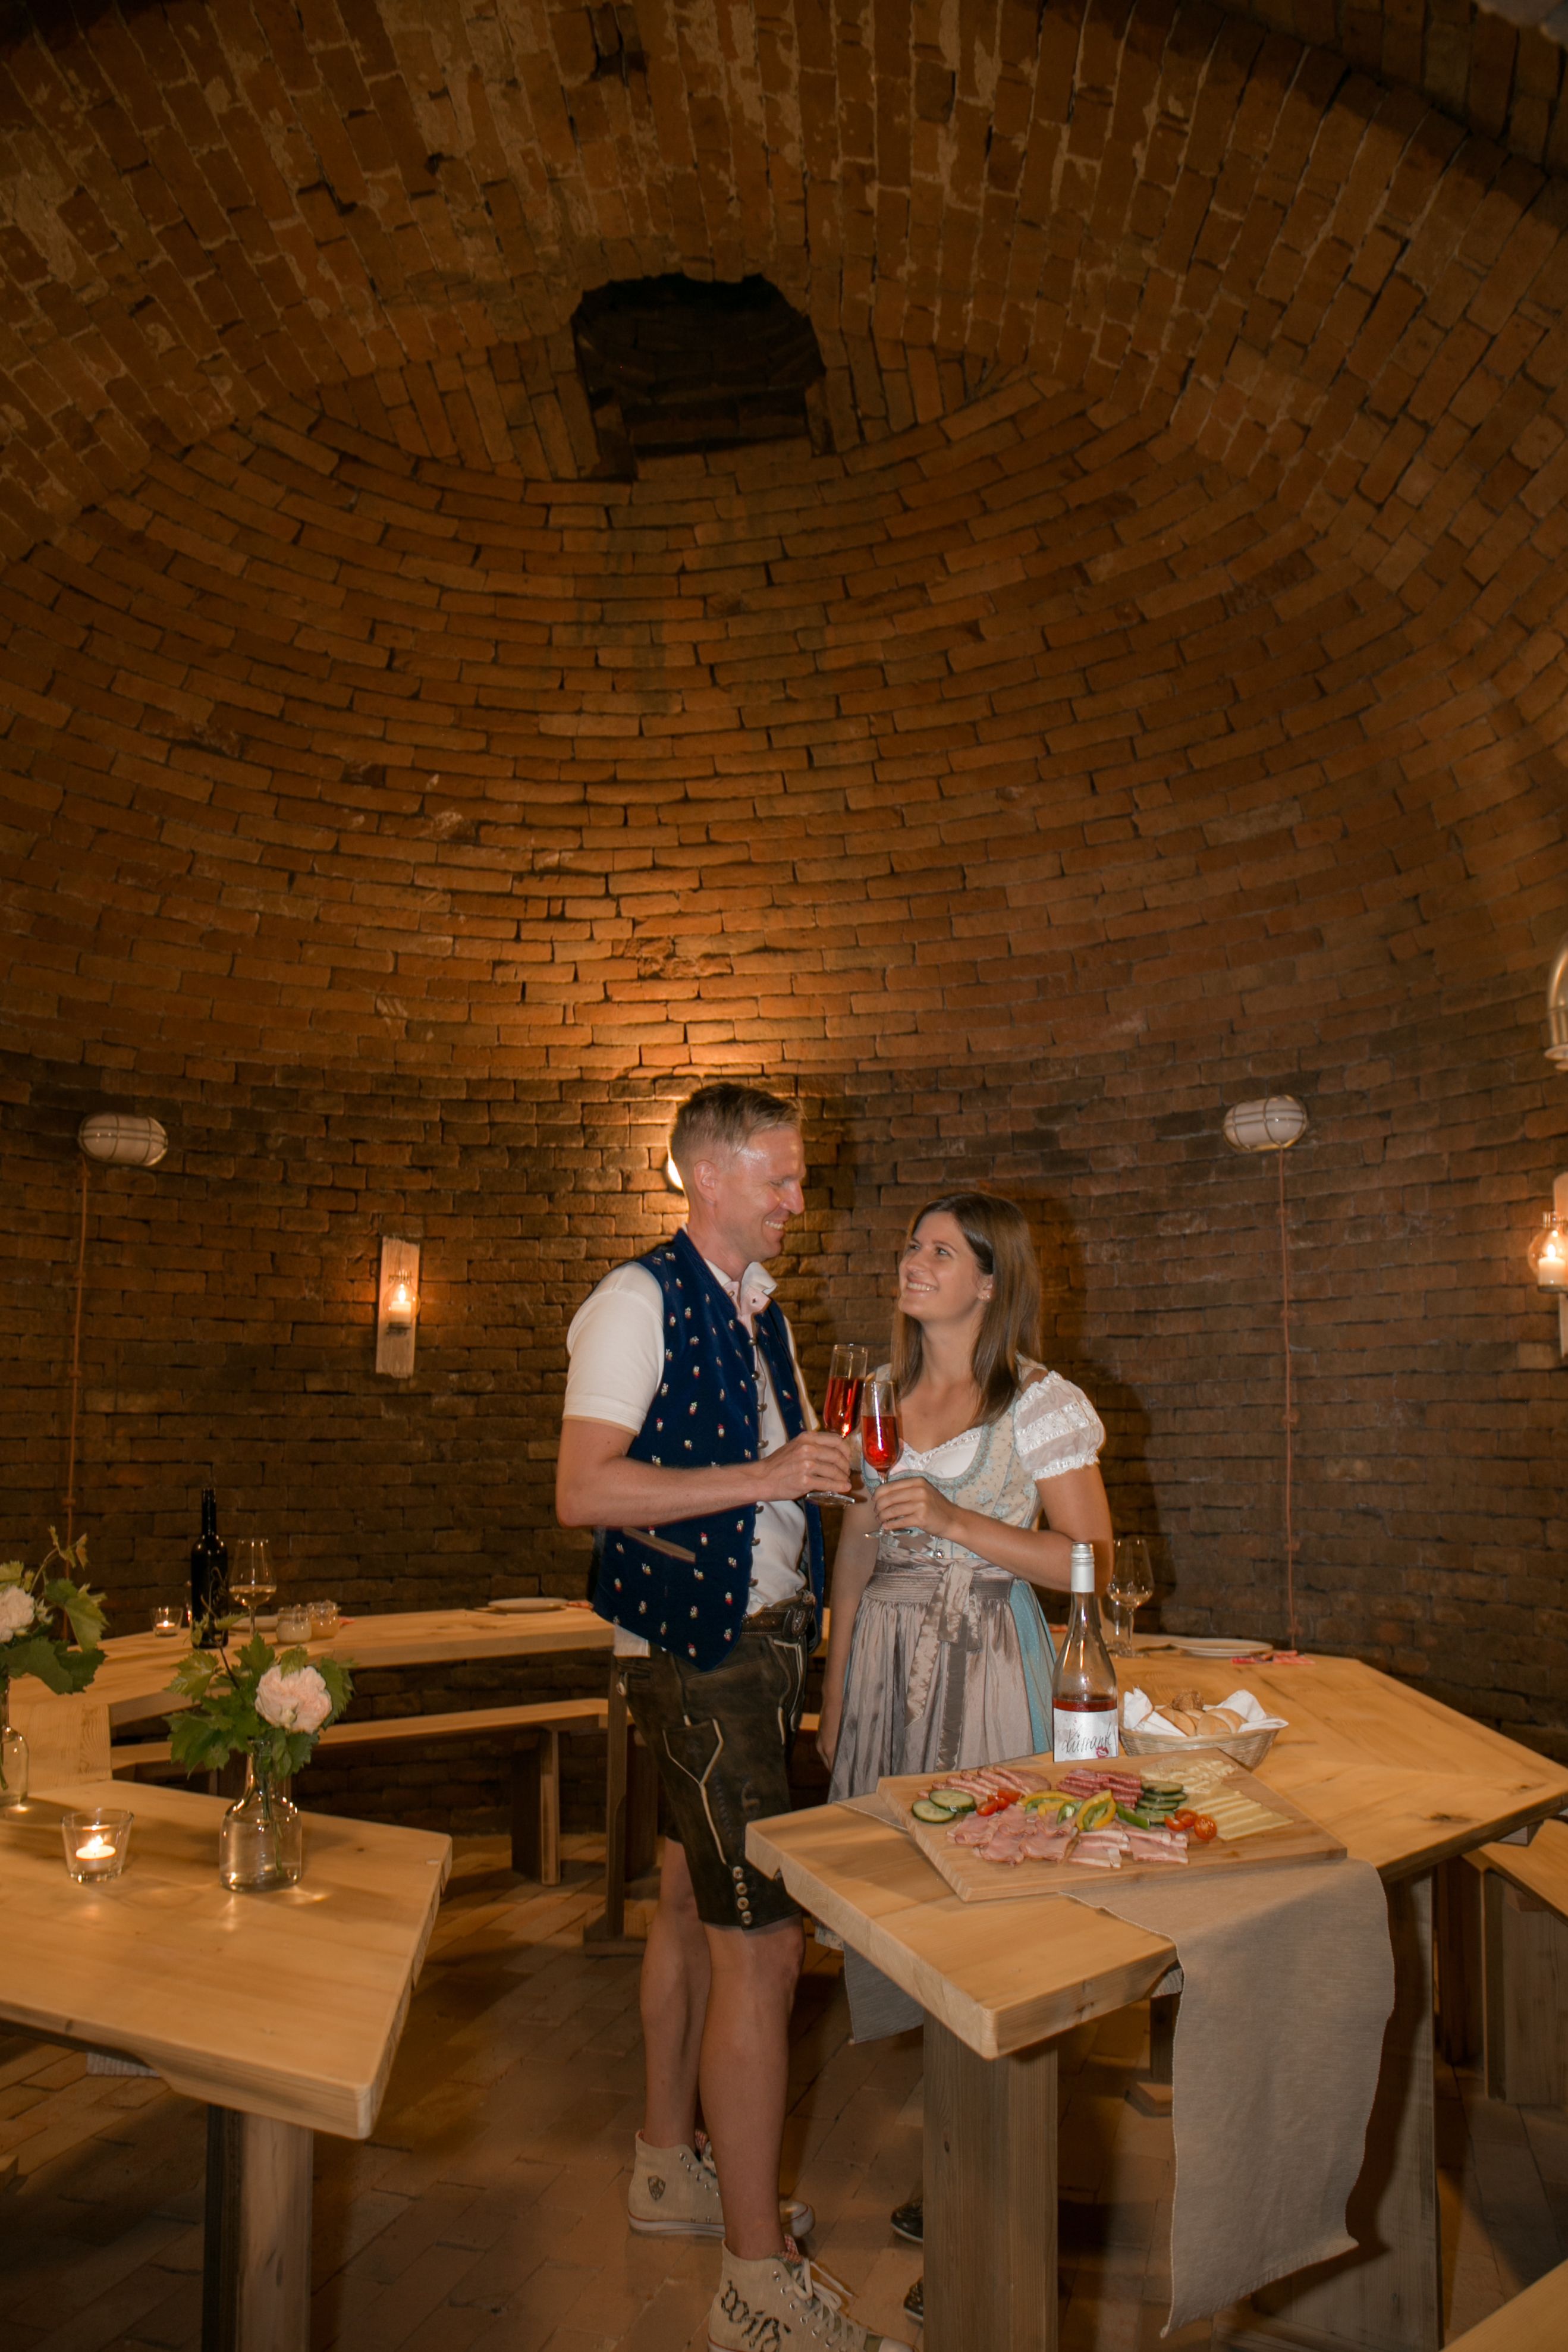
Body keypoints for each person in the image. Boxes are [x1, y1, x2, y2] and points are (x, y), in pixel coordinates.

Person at [557, 1082, 912, 2352]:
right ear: (706, 1176)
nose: (797, 1198)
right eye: (780, 1176)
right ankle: (755, 2285)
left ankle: (669, 2163)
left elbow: (773, 1482)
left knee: (682, 1902)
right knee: (762, 1951)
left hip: (752, 1648)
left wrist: (822, 1476)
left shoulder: (758, 1311)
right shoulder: (633, 1301)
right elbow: (582, 1490)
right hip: (697, 1655)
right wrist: (772, 1475)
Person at [816, 1190, 1113, 2315]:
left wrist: (952, 1525)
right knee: (918, 1931)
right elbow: (852, 1547)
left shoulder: (1042, 1403)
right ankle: (959, 2180)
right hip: (889, 1674)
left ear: (990, 1283)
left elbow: (1090, 1565)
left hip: (989, 1664)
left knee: (996, 1939)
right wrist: (836, 1695)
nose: (914, 1262)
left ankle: (995, 2228)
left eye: (942, 1251)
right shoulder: (878, 1399)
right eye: (910, 1244)